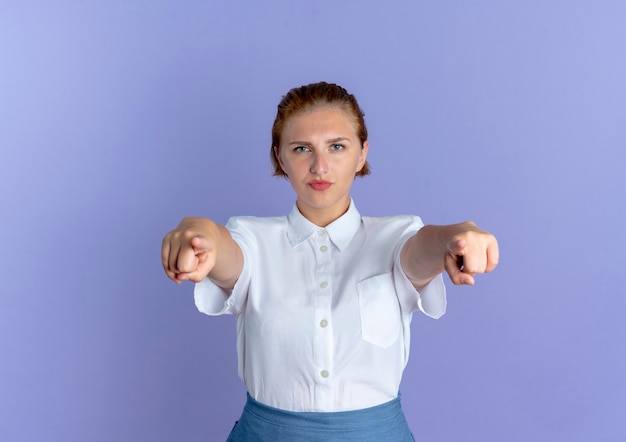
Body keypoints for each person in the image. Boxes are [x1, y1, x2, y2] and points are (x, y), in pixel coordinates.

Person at [161, 82, 499, 441]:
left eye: (337, 146)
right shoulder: (253, 240)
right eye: (302, 148)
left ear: (361, 154)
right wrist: (198, 231)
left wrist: (454, 235)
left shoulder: (395, 236)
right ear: (280, 157)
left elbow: (422, 249)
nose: (319, 166)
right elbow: (226, 251)